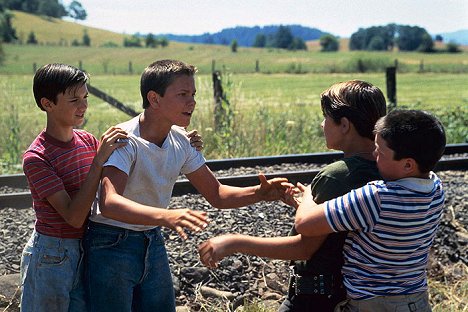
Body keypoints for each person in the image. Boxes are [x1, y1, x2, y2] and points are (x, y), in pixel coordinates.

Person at [84, 59, 292, 312]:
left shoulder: (181, 141)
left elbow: (216, 194)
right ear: (154, 99)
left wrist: (259, 193)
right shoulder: (126, 140)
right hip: (111, 243)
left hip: (151, 238)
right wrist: (167, 215)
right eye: (183, 94)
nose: (192, 102)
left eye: (193, 94)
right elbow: (109, 203)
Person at [20, 63, 203, 312]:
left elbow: (132, 150)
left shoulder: (86, 140)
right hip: (53, 254)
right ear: (47, 104)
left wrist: (179, 135)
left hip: (85, 247)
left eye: (85, 97)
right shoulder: (37, 157)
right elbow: (73, 217)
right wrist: (98, 161)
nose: (83, 106)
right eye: (74, 100)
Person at [198, 80, 387, 311]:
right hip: (346, 295)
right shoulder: (384, 168)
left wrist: (233, 242)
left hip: (315, 299)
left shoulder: (336, 176)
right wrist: (304, 205)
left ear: (345, 125)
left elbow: (304, 248)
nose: (322, 124)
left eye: (326, 117)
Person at [294, 109, 446, 312]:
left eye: (380, 153)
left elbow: (304, 224)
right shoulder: (436, 189)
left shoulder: (376, 197)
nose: (374, 156)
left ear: (408, 164)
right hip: (416, 301)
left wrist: (308, 196)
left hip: (371, 304)